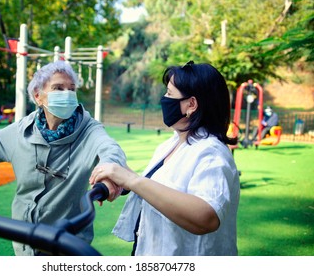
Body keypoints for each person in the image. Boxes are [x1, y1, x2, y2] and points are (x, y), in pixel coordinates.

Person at [0, 60, 126, 256]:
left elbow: (109, 148)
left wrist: (111, 169)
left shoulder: (89, 130)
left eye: (71, 89)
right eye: (58, 88)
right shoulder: (23, 130)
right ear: (38, 96)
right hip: (23, 241)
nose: (68, 95)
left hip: (65, 245)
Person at [90, 61, 240, 256]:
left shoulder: (211, 153)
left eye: (170, 93)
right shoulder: (173, 143)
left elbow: (207, 216)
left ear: (191, 104)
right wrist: (122, 181)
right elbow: (157, 188)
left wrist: (131, 180)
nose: (164, 99)